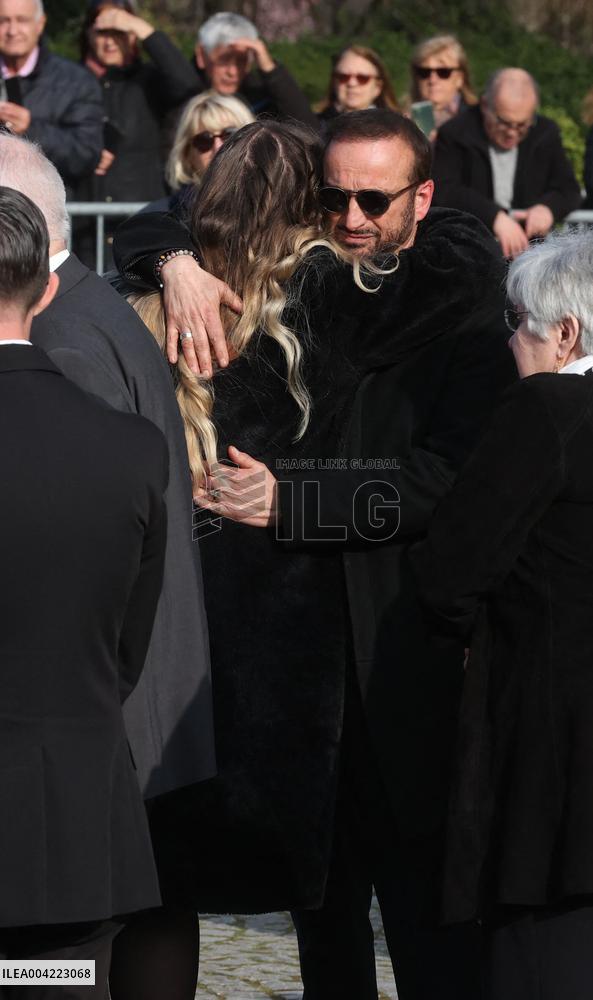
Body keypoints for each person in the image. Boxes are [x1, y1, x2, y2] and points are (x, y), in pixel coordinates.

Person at [115, 109, 514, 1000]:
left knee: (423, 914)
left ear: (421, 195)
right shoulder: (303, 289)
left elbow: (446, 476)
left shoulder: (431, 302)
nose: (352, 216)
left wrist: (298, 499)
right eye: (331, 197)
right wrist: (176, 261)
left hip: (401, 652)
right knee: (324, 914)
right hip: (298, 675)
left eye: (375, 198)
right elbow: (173, 210)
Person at [0, 133, 216, 1000]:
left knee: (51, 974)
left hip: (78, 739)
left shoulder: (71, 348)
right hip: (96, 742)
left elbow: (59, 559)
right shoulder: (79, 312)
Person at [411, 230, 593, 1000]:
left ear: (565, 333)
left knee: (541, 951)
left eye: (516, 322)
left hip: (550, 736)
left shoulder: (546, 406)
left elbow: (449, 566)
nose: (507, 342)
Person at [73, 0, 198, 267]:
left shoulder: (150, 81)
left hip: (141, 227)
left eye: (119, 32)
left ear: (133, 37)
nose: (109, 42)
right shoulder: (71, 81)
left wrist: (141, 27)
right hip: (83, 229)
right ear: (88, 35)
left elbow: (189, 85)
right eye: (102, 32)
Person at [433, 68, 581, 258]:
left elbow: (569, 189)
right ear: (485, 105)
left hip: (530, 254)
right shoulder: (455, 133)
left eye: (522, 125)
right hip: (469, 251)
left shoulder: (544, 133)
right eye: (503, 122)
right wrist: (495, 217)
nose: (512, 132)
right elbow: (445, 188)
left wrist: (547, 209)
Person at [0, 0, 102, 191]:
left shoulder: (76, 81)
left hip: (46, 209)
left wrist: (30, 129)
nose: (12, 31)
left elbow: (86, 155)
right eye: (3, 21)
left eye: (22, 20)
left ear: (40, 24)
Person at [191, 11, 318, 129]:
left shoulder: (260, 99)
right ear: (202, 56)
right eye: (224, 60)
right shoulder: (185, 96)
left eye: (241, 61)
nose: (232, 72)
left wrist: (270, 69)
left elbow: (308, 129)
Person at [157, 91, 255, 214]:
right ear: (187, 155)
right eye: (204, 140)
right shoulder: (166, 221)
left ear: (253, 140)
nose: (218, 147)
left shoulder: (277, 208)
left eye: (230, 135)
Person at [315, 44, 399, 127]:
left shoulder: (395, 130)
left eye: (362, 78)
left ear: (378, 87)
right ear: (334, 82)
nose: (352, 83)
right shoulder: (314, 127)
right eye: (343, 77)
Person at [409, 34, 477, 130]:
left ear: (460, 78)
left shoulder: (477, 121)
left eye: (443, 72)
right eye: (424, 72)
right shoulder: (402, 121)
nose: (432, 80)